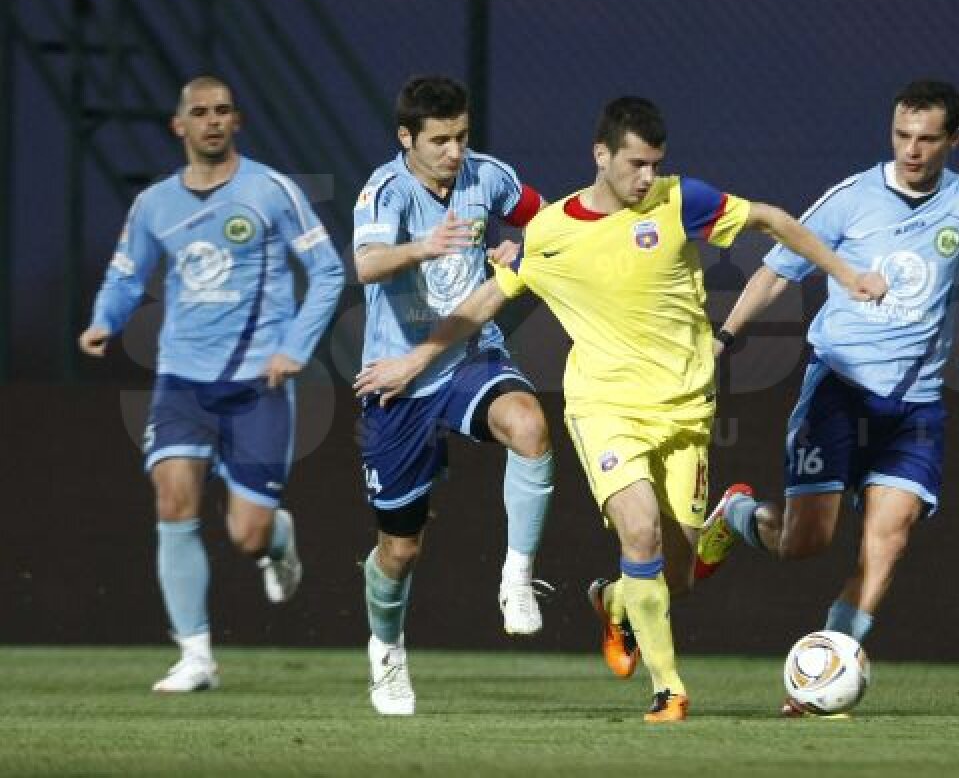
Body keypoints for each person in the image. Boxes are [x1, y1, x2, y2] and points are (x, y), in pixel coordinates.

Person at [354, 96, 886, 722]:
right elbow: (483, 300)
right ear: (602, 156)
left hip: (685, 407)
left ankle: (615, 601)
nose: (645, 178)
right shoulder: (550, 233)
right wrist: (416, 358)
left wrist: (845, 274)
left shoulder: (679, 200)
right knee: (633, 528)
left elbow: (770, 218)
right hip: (604, 406)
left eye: (654, 165)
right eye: (635, 164)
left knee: (675, 577)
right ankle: (668, 690)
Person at [694, 78, 959, 714]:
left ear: (953, 141)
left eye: (927, 138)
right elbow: (778, 270)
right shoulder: (851, 199)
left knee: (889, 538)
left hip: (914, 406)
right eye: (902, 135)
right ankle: (740, 515)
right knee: (806, 542)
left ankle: (821, 678)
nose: (912, 149)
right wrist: (722, 340)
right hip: (837, 389)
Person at [79, 75, 345, 692]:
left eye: (223, 110)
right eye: (199, 112)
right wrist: (103, 321)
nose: (212, 121)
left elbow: (328, 273)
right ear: (179, 126)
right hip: (181, 380)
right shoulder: (153, 206)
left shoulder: (272, 190)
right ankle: (196, 656)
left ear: (237, 121)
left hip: (258, 382)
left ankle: (278, 539)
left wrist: (294, 347)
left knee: (245, 534)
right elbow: (125, 275)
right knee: (173, 501)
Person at [351, 75, 554, 716]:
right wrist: (423, 246)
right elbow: (366, 264)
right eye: (439, 139)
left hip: (470, 352)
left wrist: (522, 242)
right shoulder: (386, 190)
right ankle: (387, 656)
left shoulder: (487, 177)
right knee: (400, 551)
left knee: (530, 425)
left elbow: (547, 220)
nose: (454, 151)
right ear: (406, 137)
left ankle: (517, 578)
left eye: (462, 136)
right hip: (399, 380)